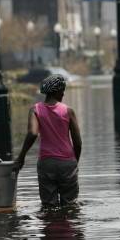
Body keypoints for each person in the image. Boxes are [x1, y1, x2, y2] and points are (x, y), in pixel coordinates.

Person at [15, 74, 82, 206]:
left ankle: (51, 225)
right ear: (55, 91)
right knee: (70, 205)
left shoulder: (35, 110)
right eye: (62, 89)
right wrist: (74, 162)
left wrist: (21, 156)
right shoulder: (68, 111)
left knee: (49, 206)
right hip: (67, 162)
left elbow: (32, 133)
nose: (63, 93)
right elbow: (78, 143)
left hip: (46, 163)